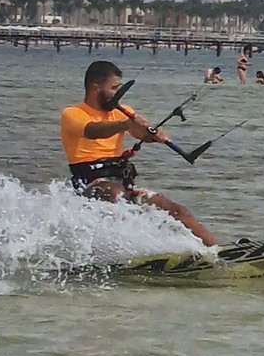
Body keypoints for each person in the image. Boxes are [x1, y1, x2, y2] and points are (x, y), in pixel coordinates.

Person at [60, 60, 218, 247]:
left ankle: (217, 252)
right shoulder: (73, 113)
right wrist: (126, 123)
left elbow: (139, 133)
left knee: (176, 210)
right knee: (116, 195)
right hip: (89, 184)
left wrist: (153, 135)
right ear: (95, 88)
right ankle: (132, 249)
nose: (118, 94)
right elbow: (94, 131)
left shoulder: (122, 111)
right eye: (114, 88)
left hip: (121, 184)